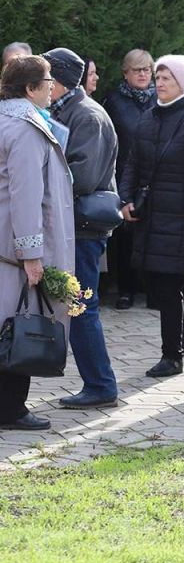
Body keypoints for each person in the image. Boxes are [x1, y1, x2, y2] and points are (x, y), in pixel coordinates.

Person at [119, 55, 184, 378]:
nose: (159, 82)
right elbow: (133, 164)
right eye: (158, 77)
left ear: (183, 83)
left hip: (183, 215)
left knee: (167, 285)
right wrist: (124, 198)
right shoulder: (148, 118)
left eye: (166, 78)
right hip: (151, 215)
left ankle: (172, 355)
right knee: (153, 280)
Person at [42, 47, 120, 409]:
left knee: (81, 306)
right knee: (76, 304)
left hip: (83, 229)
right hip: (71, 225)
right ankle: (98, 382)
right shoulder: (68, 111)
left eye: (46, 78)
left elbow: (83, 177)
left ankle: (101, 385)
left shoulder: (86, 115)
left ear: (58, 81)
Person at [0, 55, 74, 430]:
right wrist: (32, 255)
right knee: (18, 324)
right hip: (14, 252)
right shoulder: (26, 128)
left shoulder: (5, 120)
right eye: (47, 81)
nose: (52, 87)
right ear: (30, 88)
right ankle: (12, 409)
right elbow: (26, 196)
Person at [103, 49, 157, 310]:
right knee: (125, 239)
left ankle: (152, 289)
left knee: (153, 236)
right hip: (125, 174)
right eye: (137, 70)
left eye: (147, 69)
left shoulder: (161, 99)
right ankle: (125, 290)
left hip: (156, 176)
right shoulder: (113, 101)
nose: (143, 74)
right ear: (125, 73)